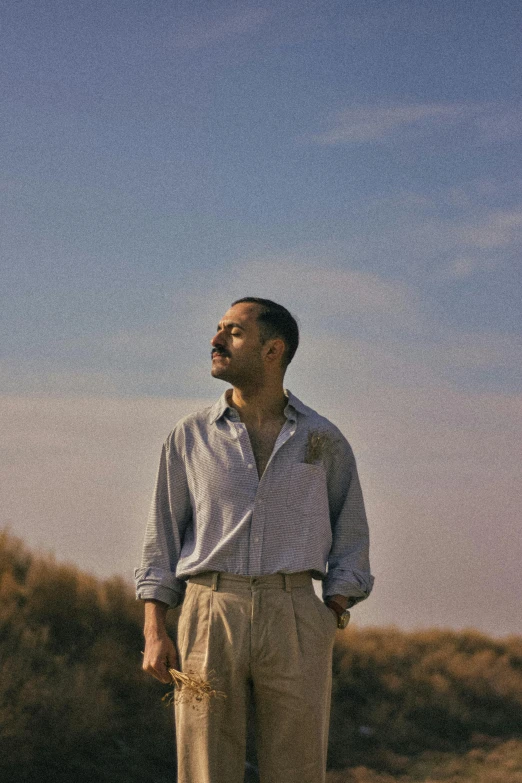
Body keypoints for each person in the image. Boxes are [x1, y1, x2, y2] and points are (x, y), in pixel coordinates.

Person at [135, 297, 374, 783]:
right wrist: (154, 628)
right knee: (204, 765)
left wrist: (330, 611)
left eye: (233, 332)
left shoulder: (323, 439)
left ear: (273, 350)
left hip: (294, 613)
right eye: (218, 329)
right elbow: (161, 533)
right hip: (208, 610)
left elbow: (351, 534)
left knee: (298, 767)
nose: (215, 340)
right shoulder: (189, 436)